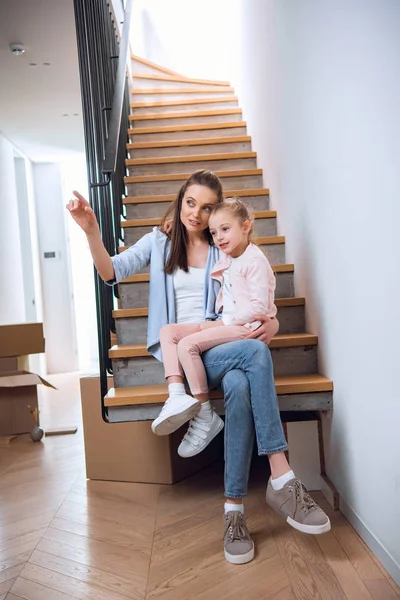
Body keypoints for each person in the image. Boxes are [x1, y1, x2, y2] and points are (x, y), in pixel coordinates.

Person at [67, 170, 331, 566]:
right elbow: (110, 272)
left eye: (207, 207)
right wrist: (91, 231)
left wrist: (271, 322)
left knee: (242, 383)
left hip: (222, 341)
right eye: (191, 202)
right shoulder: (159, 243)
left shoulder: (222, 244)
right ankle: (281, 474)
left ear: (216, 215)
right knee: (257, 357)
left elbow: (249, 293)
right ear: (180, 200)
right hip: (183, 355)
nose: (196, 213)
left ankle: (234, 512)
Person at [154, 198, 278, 462]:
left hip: (245, 327)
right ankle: (176, 395)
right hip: (229, 320)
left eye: (225, 229)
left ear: (246, 226)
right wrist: (174, 225)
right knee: (168, 332)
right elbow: (196, 234)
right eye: (214, 232)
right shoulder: (230, 253)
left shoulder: (254, 261)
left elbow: (260, 306)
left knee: (187, 345)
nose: (219, 237)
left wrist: (235, 321)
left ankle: (204, 413)